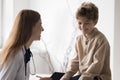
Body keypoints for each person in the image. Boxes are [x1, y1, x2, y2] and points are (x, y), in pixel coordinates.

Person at [60, 2, 111, 80]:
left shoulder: (101, 40)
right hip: (83, 76)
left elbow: (96, 66)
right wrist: (67, 75)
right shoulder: (79, 39)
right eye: (80, 23)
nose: (82, 27)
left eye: (86, 23)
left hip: (97, 77)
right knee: (58, 77)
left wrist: (82, 78)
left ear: (95, 22)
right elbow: (75, 62)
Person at [0, 9, 44, 80]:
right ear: (30, 27)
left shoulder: (24, 51)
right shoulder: (15, 54)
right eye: (40, 24)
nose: (42, 29)